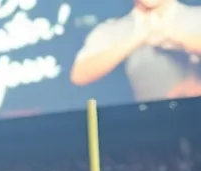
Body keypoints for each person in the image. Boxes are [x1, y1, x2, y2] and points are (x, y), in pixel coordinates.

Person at [70, 0, 201, 102]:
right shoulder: (112, 29)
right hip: (145, 124)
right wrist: (135, 39)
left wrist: (175, 36)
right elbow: (79, 75)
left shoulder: (197, 17)